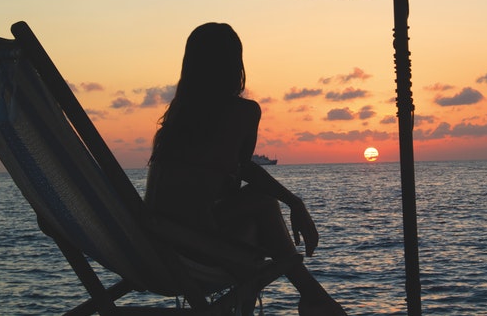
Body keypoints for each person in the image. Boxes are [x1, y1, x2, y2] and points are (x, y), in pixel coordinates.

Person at [145, 23, 347, 315]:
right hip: (191, 246)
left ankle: (310, 295)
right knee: (261, 207)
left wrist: (292, 201)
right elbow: (240, 171)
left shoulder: (176, 120)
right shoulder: (242, 112)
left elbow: (235, 170)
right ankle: (312, 295)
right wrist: (294, 202)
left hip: (158, 247)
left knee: (256, 223)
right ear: (234, 64)